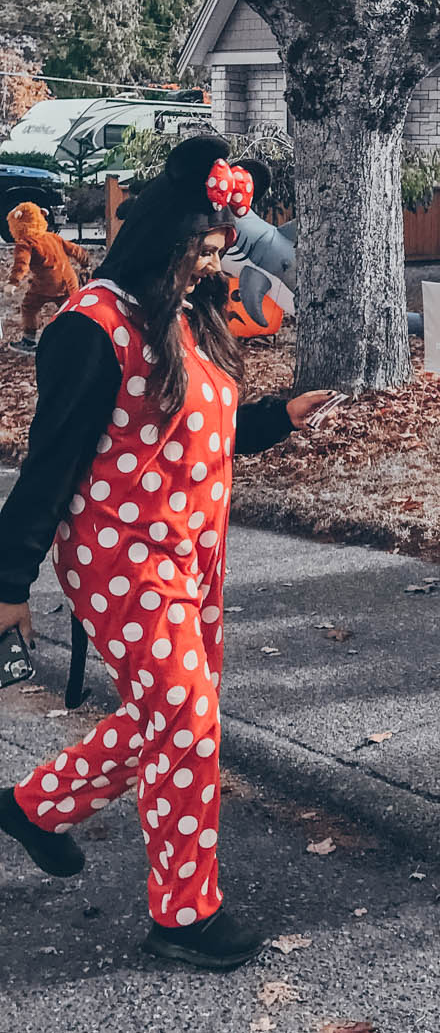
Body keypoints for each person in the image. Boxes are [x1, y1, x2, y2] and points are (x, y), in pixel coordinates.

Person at [0, 135, 335, 970]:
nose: (211, 267)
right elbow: (49, 465)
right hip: (122, 560)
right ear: (164, 239)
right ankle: (183, 914)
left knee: (173, 714)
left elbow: (207, 435)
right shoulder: (92, 327)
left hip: (194, 554)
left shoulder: (188, 315)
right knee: (187, 721)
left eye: (220, 252)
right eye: (202, 250)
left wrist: (284, 415)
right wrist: (9, 582)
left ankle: (35, 808)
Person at [7, 200, 90, 351]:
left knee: (29, 307)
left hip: (47, 283)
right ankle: (80, 339)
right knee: (72, 309)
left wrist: (13, 282)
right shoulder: (53, 237)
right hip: (69, 280)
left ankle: (29, 340)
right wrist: (85, 263)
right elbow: (75, 250)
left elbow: (21, 264)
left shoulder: (25, 243)